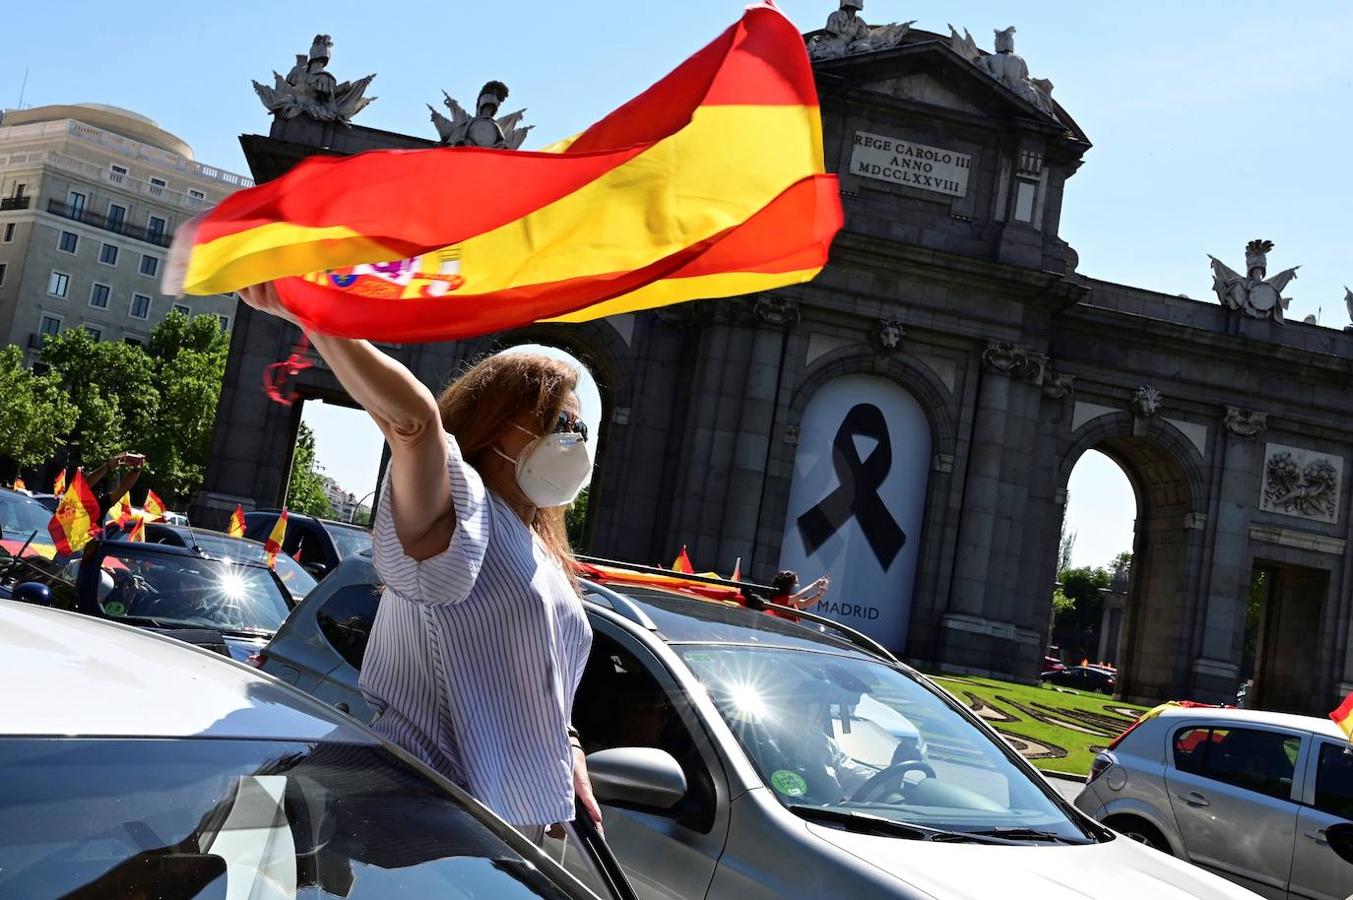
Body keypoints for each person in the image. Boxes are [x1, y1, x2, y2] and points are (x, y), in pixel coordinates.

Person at [238, 282, 599, 849]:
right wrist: (304, 306)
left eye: (579, 428)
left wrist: (565, 748)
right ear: (497, 421)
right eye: (557, 421)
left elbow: (540, 674)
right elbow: (413, 423)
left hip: (504, 839)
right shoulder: (464, 507)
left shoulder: (540, 545)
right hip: (426, 822)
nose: (573, 440)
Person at [85, 452, 145, 532]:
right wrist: (108, 466)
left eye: (99, 488)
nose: (98, 492)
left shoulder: (99, 506)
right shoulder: (73, 502)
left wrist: (136, 469)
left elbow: (123, 488)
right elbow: (85, 486)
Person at [765, 570, 830, 620]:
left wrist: (820, 594)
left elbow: (805, 603)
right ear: (788, 585)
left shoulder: (790, 600)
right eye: (795, 583)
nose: (797, 585)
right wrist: (815, 584)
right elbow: (799, 596)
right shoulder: (780, 599)